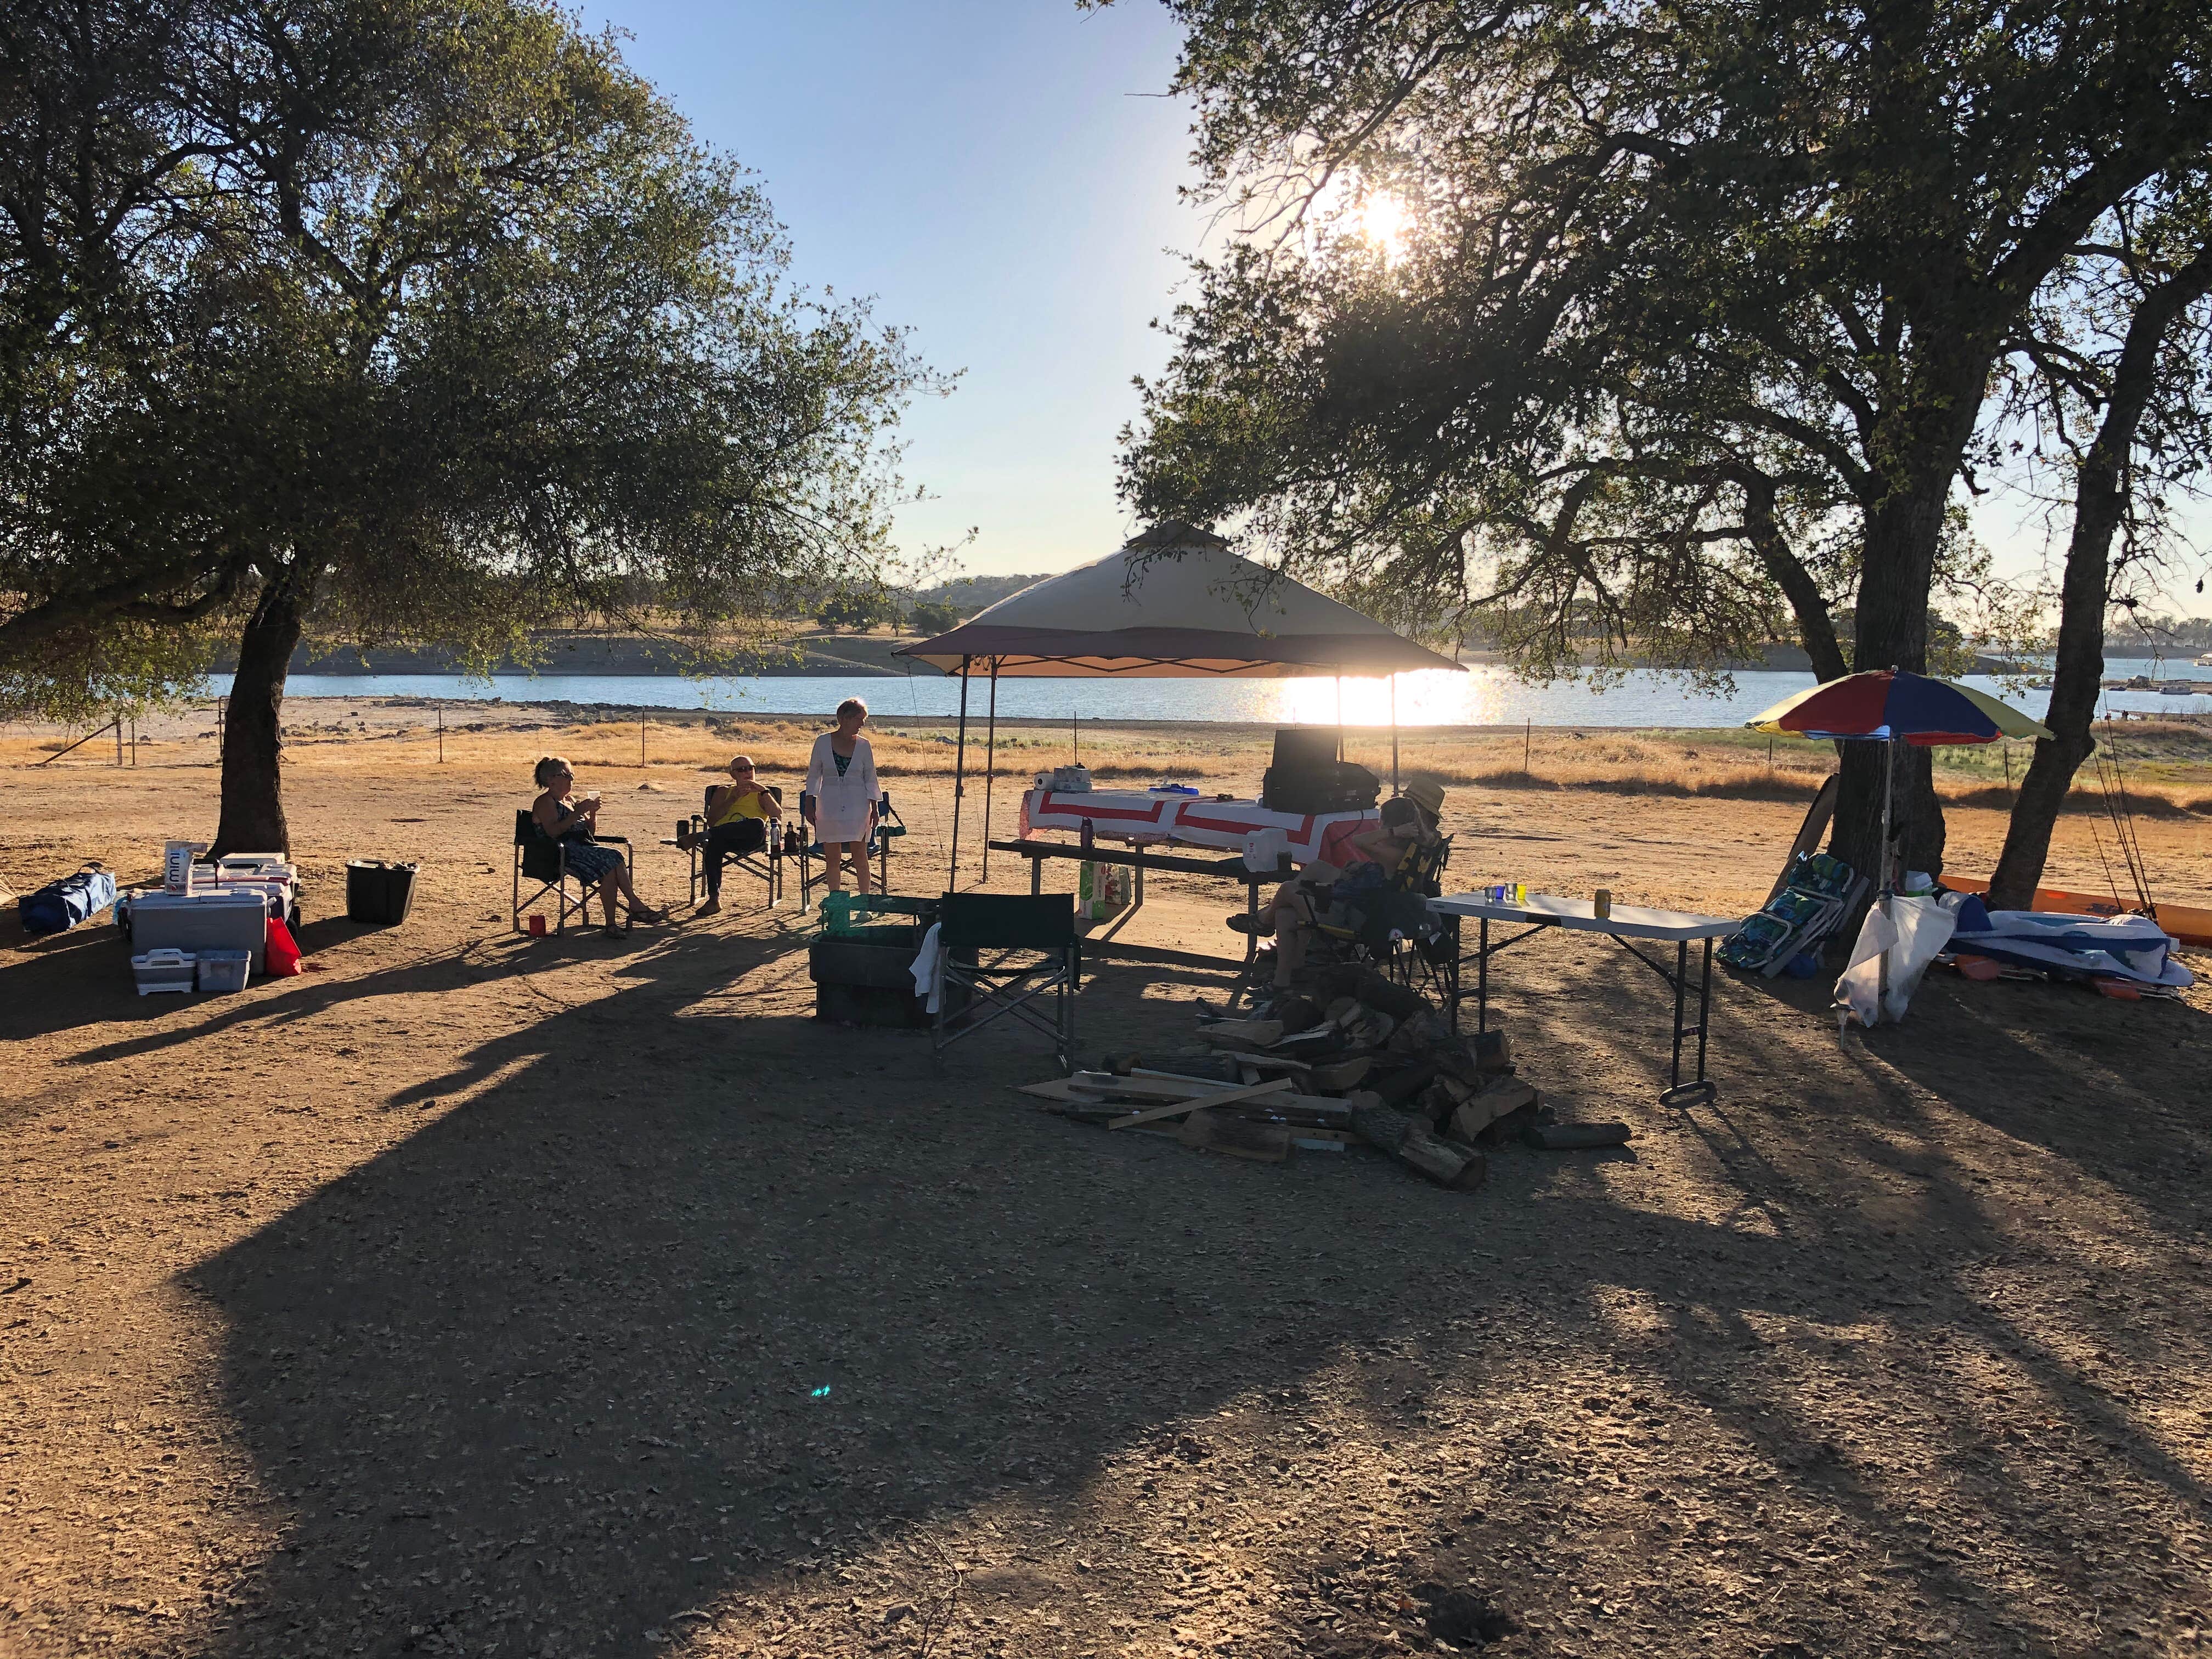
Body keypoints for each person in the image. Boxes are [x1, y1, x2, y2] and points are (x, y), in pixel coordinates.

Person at [1230, 780, 1446, 987]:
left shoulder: (1393, 853)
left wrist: (1391, 832)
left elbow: (1359, 841)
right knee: (1304, 885)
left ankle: (1263, 923)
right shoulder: (1421, 845)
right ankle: (1286, 977)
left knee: (1288, 890)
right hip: (1367, 898)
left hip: (1356, 916)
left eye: (1382, 823)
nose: (1379, 826)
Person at [530, 755, 664, 935]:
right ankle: (634, 904)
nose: (571, 779)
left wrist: (592, 814)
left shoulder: (569, 800)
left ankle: (611, 925)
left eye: (572, 774)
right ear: (551, 780)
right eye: (566, 774)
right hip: (559, 854)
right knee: (613, 857)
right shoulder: (545, 802)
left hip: (582, 849)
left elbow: (589, 833)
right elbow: (554, 832)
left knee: (609, 866)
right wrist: (577, 812)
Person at [804, 698, 881, 894]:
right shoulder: (822, 742)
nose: (862, 724)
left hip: (858, 805)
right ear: (844, 718)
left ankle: (864, 903)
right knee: (833, 858)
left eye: (864, 719)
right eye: (859, 719)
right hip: (829, 805)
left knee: (860, 857)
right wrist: (809, 803)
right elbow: (814, 775)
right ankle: (836, 903)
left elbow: (870, 777)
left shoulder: (864, 745)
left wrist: (875, 809)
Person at [695, 754, 785, 916]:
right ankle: (714, 899)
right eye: (741, 769)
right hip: (724, 838)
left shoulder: (761, 793)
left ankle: (705, 835)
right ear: (733, 775)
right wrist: (734, 798)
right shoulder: (724, 791)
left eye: (750, 768)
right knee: (714, 845)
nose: (747, 772)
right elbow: (712, 820)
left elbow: (778, 815)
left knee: (757, 823)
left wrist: (764, 791)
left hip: (752, 839)